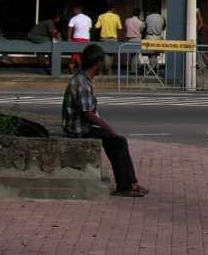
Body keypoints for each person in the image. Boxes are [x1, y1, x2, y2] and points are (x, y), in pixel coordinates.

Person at [62, 43, 148, 198]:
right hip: (78, 130)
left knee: (115, 141)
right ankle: (127, 185)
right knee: (118, 141)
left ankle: (130, 183)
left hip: (81, 127)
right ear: (97, 64)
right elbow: (88, 113)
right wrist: (108, 128)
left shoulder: (83, 79)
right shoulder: (81, 82)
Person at [68, 5, 93, 71]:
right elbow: (89, 28)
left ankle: (72, 64)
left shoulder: (74, 18)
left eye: (74, 11)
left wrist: (69, 38)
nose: (73, 12)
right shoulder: (88, 18)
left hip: (76, 37)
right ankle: (80, 67)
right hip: (86, 38)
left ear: (77, 11)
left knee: (75, 52)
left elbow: (70, 28)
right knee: (82, 53)